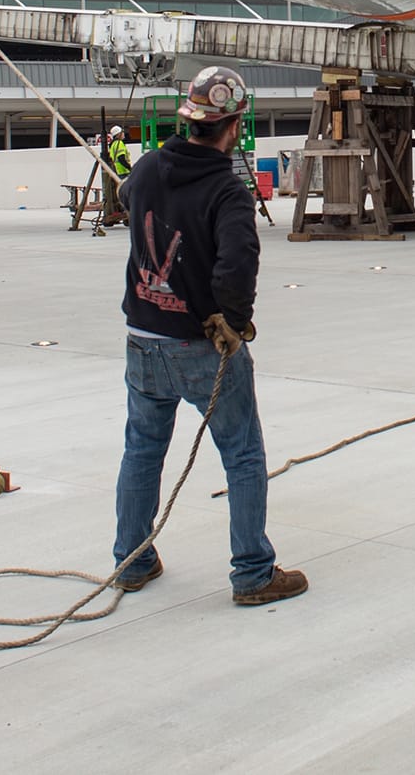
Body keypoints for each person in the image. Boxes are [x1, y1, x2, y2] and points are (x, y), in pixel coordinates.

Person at [112, 65, 307, 607]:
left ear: (190, 118)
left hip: (142, 335)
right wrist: (233, 318)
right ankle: (252, 574)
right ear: (234, 125)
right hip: (199, 343)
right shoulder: (227, 189)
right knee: (242, 453)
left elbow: (128, 197)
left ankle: (132, 560)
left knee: (142, 450)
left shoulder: (148, 167)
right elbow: (237, 263)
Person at [103, 125, 133, 224]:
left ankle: (126, 213)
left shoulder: (113, 145)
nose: (124, 134)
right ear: (119, 134)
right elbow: (121, 159)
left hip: (119, 172)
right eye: (122, 132)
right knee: (129, 194)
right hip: (124, 172)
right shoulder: (119, 144)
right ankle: (129, 214)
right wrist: (130, 168)